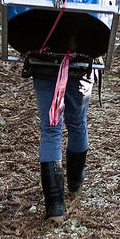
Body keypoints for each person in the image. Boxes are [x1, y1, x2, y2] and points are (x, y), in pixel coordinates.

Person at [22, 53, 96, 222]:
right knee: (77, 124)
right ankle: (75, 186)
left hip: (43, 61)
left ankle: (54, 207)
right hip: (81, 62)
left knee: (50, 130)